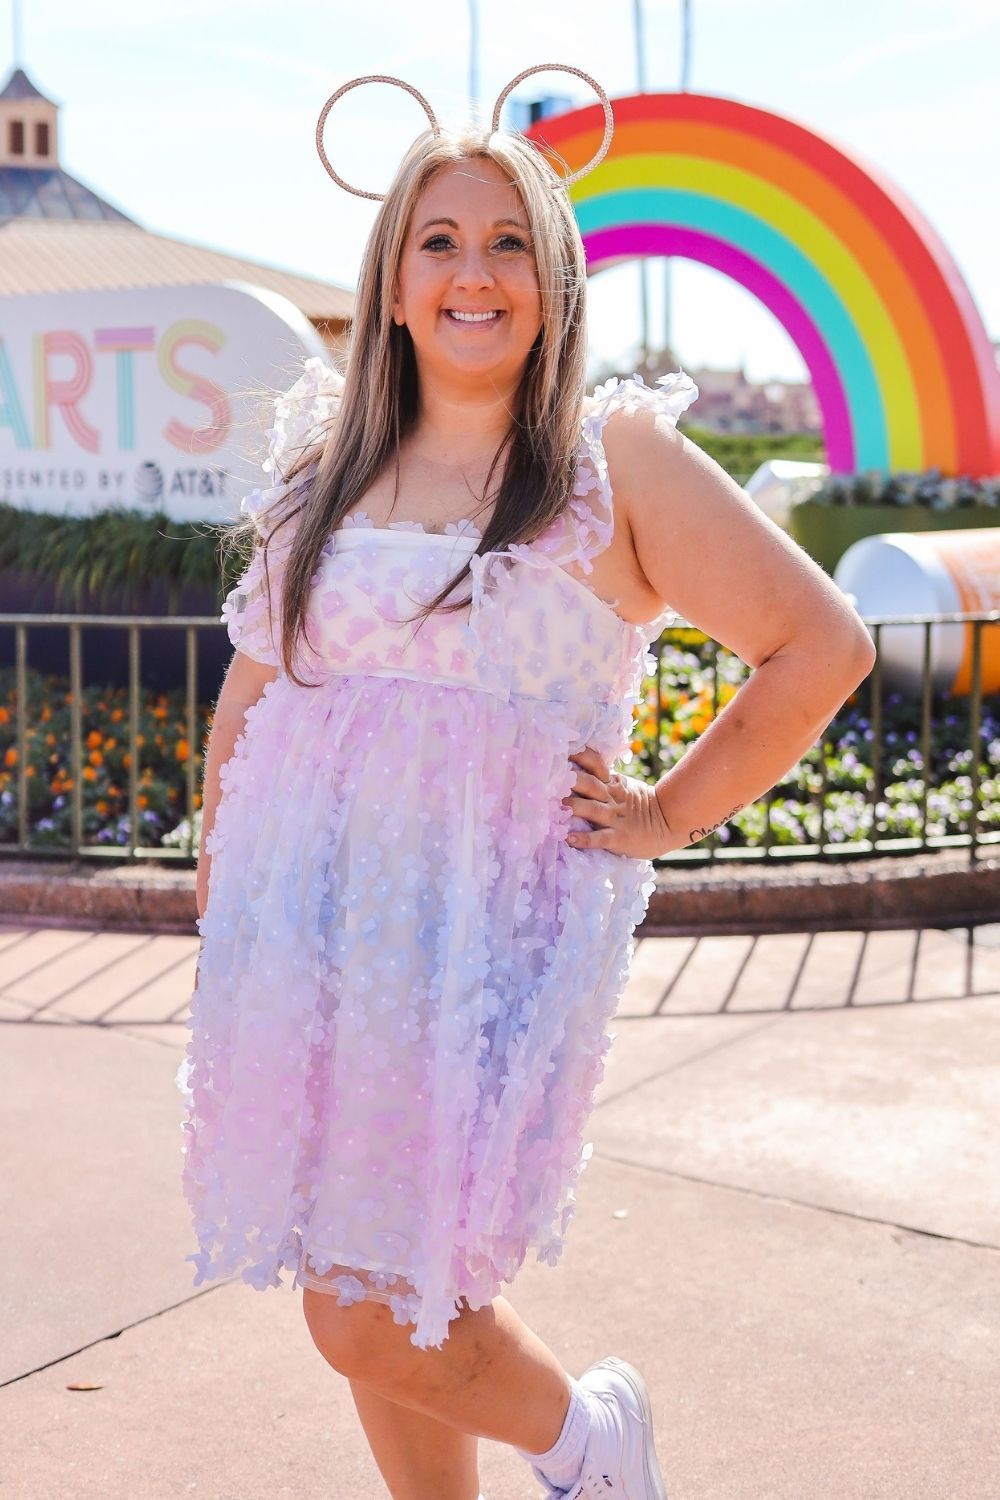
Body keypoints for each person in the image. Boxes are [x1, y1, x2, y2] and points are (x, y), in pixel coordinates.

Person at [177, 68, 875, 1500]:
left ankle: (592, 1447)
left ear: (553, 282)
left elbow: (822, 646)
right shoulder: (330, 465)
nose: (473, 272)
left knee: (371, 1305)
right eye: (438, 241)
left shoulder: (609, 466)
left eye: (508, 242)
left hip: (484, 951)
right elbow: (258, 679)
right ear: (390, 281)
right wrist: (222, 866)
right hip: (313, 948)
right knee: (383, 1296)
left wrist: (669, 813)